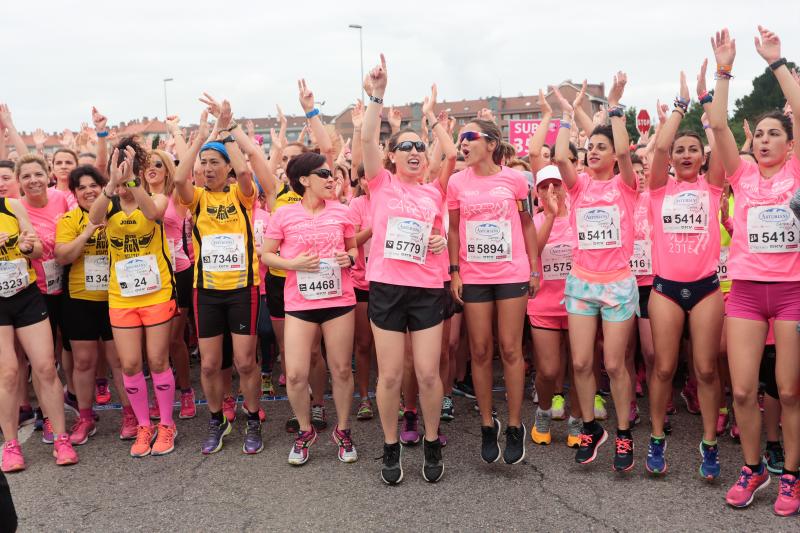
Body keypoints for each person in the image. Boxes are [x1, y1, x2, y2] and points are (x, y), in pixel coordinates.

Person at [707, 26, 800, 515]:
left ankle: (792, 475)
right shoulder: (740, 174)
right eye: (759, 135)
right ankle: (753, 466)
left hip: (792, 292)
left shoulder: (796, 172)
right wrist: (724, 70)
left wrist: (777, 62)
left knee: (788, 388)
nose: (764, 141)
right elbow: (718, 125)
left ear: (789, 144)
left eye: (774, 135)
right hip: (745, 291)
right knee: (742, 388)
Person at [361, 55, 454, 484]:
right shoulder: (381, 183)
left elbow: (438, 238)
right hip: (386, 287)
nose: (416, 151)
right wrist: (377, 96)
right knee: (392, 374)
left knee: (429, 372)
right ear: (392, 156)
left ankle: (432, 441)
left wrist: (440, 242)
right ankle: (390, 443)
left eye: (420, 147)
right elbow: (365, 143)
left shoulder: (434, 192)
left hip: (426, 289)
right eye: (408, 146)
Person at [553, 73, 639, 472]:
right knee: (582, 363)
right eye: (589, 148)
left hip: (618, 284)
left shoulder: (625, 185)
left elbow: (624, 153)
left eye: (599, 147)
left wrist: (616, 108)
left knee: (616, 364)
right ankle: (590, 428)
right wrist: (566, 117)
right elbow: (558, 158)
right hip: (582, 283)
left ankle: (623, 432)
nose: (592, 152)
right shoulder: (579, 187)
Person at [645, 68, 725, 478]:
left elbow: (722, 140)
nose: (686, 154)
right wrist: (679, 108)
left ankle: (709, 443)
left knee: (707, 369)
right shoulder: (660, 188)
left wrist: (707, 102)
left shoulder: (713, 187)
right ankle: (657, 437)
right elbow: (657, 149)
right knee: (663, 366)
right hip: (666, 290)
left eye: (693, 148)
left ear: (703, 156)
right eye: (680, 150)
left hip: (707, 289)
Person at [447, 116, 540, 465]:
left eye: (469, 136)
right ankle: (488, 424)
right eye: (460, 138)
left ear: (491, 143)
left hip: (511, 272)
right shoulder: (457, 183)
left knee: (511, 349)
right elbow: (454, 230)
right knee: (481, 350)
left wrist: (533, 267)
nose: (464, 143)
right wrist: (455, 271)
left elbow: (528, 224)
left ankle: (515, 425)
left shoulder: (516, 180)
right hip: (473, 275)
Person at [174, 104, 263, 455]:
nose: (208, 168)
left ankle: (252, 418)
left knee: (244, 362)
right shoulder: (195, 199)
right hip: (207, 291)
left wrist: (227, 134)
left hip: (242, 289)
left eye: (216, 163)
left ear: (226, 168)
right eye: (204, 163)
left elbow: (245, 173)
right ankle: (216, 419)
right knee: (209, 364)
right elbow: (180, 179)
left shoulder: (241, 196)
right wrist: (200, 137)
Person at [262, 150, 359, 465]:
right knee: (295, 374)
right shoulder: (284, 214)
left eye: (331, 174)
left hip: (338, 300)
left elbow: (353, 245)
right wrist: (293, 263)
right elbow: (266, 254)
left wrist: (352, 258)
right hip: (300, 303)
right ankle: (305, 431)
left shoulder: (341, 211)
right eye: (324, 174)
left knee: (342, 369)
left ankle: (343, 431)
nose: (331, 179)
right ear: (304, 180)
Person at [88, 142, 177, 457]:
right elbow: (93, 217)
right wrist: (111, 184)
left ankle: (166, 423)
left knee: (156, 360)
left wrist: (132, 183)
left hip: (157, 292)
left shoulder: (155, 197)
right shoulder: (109, 203)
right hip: (122, 297)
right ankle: (144, 425)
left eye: (131, 170)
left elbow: (153, 214)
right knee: (129, 363)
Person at [0, 171, 78, 472]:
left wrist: (25, 244)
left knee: (45, 367)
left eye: (5, 177)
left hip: (26, 293)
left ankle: (61, 438)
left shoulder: (12, 207)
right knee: (7, 373)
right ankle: (11, 445)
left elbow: (34, 249)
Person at [55, 165, 136, 444]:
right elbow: (63, 255)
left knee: (119, 361)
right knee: (84, 362)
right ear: (74, 193)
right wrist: (88, 231)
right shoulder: (69, 219)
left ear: (104, 187)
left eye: (94, 185)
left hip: (116, 298)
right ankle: (86, 418)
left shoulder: (117, 213)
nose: (89, 191)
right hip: (80, 300)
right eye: (81, 187)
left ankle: (130, 415)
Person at [527, 165, 583, 449]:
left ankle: (576, 420)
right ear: (537, 192)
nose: (552, 191)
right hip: (544, 305)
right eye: (545, 186)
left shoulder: (580, 217)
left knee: (579, 366)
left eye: (557, 185)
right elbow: (533, 252)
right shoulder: (534, 221)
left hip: (579, 304)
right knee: (548, 370)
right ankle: (543, 412)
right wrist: (549, 215)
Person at [143, 149, 196, 419]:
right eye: (146, 165)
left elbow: (184, 175)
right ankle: (159, 393)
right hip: (148, 276)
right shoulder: (135, 198)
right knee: (152, 346)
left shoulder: (176, 196)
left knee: (174, 340)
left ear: (167, 170)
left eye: (157, 165)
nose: (151, 168)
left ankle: (186, 391)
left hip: (178, 273)